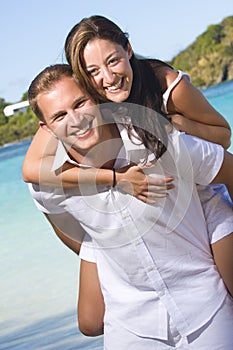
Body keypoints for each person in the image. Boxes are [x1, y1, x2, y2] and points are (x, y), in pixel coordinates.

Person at [26, 63, 233, 349]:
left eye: (80, 103)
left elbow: (226, 160)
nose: (76, 120)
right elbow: (68, 229)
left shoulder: (157, 142)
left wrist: (220, 224)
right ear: (46, 128)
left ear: (96, 97)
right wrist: (102, 247)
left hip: (204, 305)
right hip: (131, 326)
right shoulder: (46, 183)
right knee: (89, 322)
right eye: (59, 116)